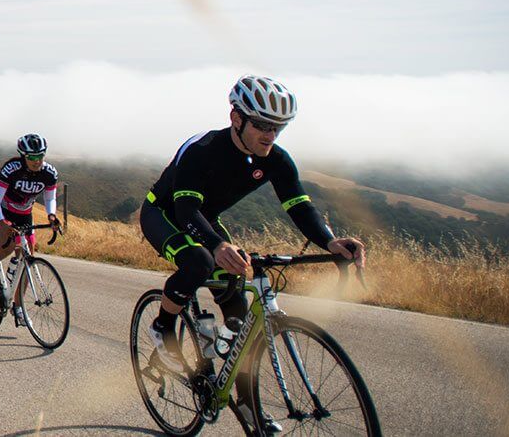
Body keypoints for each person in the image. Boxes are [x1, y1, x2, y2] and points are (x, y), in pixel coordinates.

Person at [139, 75, 365, 364]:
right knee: (200, 261)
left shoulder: (277, 160)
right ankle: (163, 327)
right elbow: (185, 210)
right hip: (164, 213)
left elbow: (299, 206)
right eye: (261, 125)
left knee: (239, 316)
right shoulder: (202, 150)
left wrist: (330, 242)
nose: (270, 135)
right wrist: (218, 245)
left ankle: (240, 400)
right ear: (236, 118)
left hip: (204, 218)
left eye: (278, 127)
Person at [0, 133, 61, 326]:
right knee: (8, 247)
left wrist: (51, 216)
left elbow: (50, 198)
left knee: (28, 255)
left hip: (25, 213)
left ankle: (18, 307)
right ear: (23, 156)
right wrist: (1, 222)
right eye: (32, 157)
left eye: (41, 156)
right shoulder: (11, 170)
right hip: (2, 211)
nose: (37, 161)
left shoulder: (49, 173)